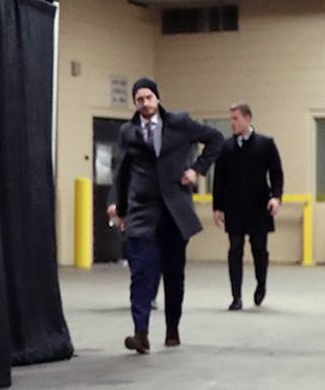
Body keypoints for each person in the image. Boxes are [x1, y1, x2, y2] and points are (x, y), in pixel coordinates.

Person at [110, 77, 223, 354]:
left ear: (157, 98)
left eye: (148, 97)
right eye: (139, 99)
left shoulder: (180, 123)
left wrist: (197, 169)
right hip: (141, 211)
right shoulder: (128, 132)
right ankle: (141, 333)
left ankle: (172, 328)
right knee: (141, 273)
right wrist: (119, 207)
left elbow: (216, 139)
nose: (145, 104)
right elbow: (122, 173)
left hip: (174, 211)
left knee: (174, 275)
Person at [212, 103, 283, 311]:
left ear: (248, 118)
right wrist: (218, 208)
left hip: (259, 207)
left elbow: (277, 173)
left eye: (236, 118)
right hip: (234, 208)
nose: (232, 123)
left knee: (259, 249)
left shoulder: (265, 144)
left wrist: (276, 198)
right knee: (235, 250)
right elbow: (219, 179)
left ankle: (261, 285)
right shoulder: (226, 147)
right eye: (231, 119)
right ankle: (236, 296)